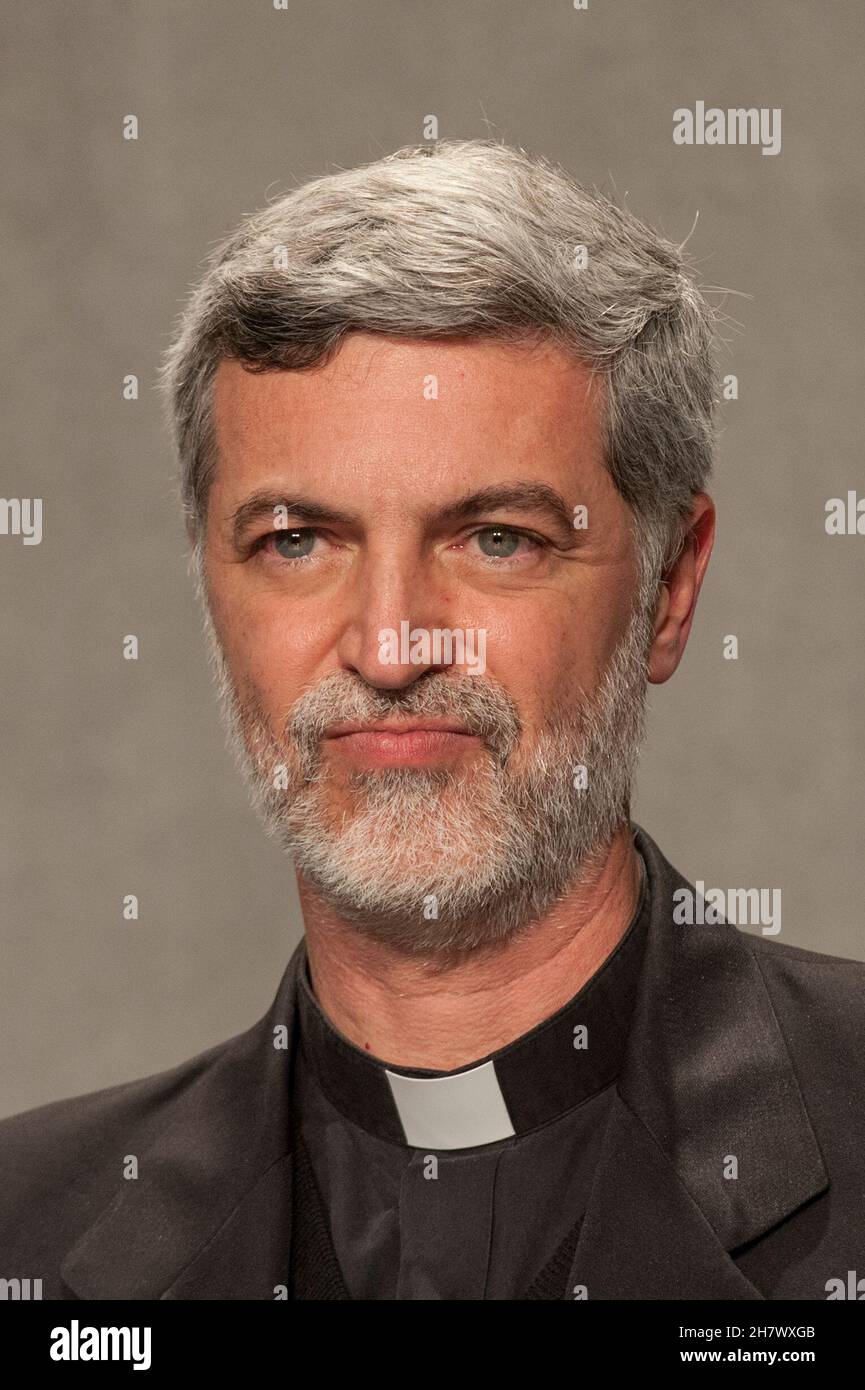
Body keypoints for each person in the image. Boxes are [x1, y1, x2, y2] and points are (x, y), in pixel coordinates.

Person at [1, 140, 862, 1301]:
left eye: (496, 538)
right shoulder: (29, 1236)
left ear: (669, 585)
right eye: (297, 541)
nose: (394, 647)